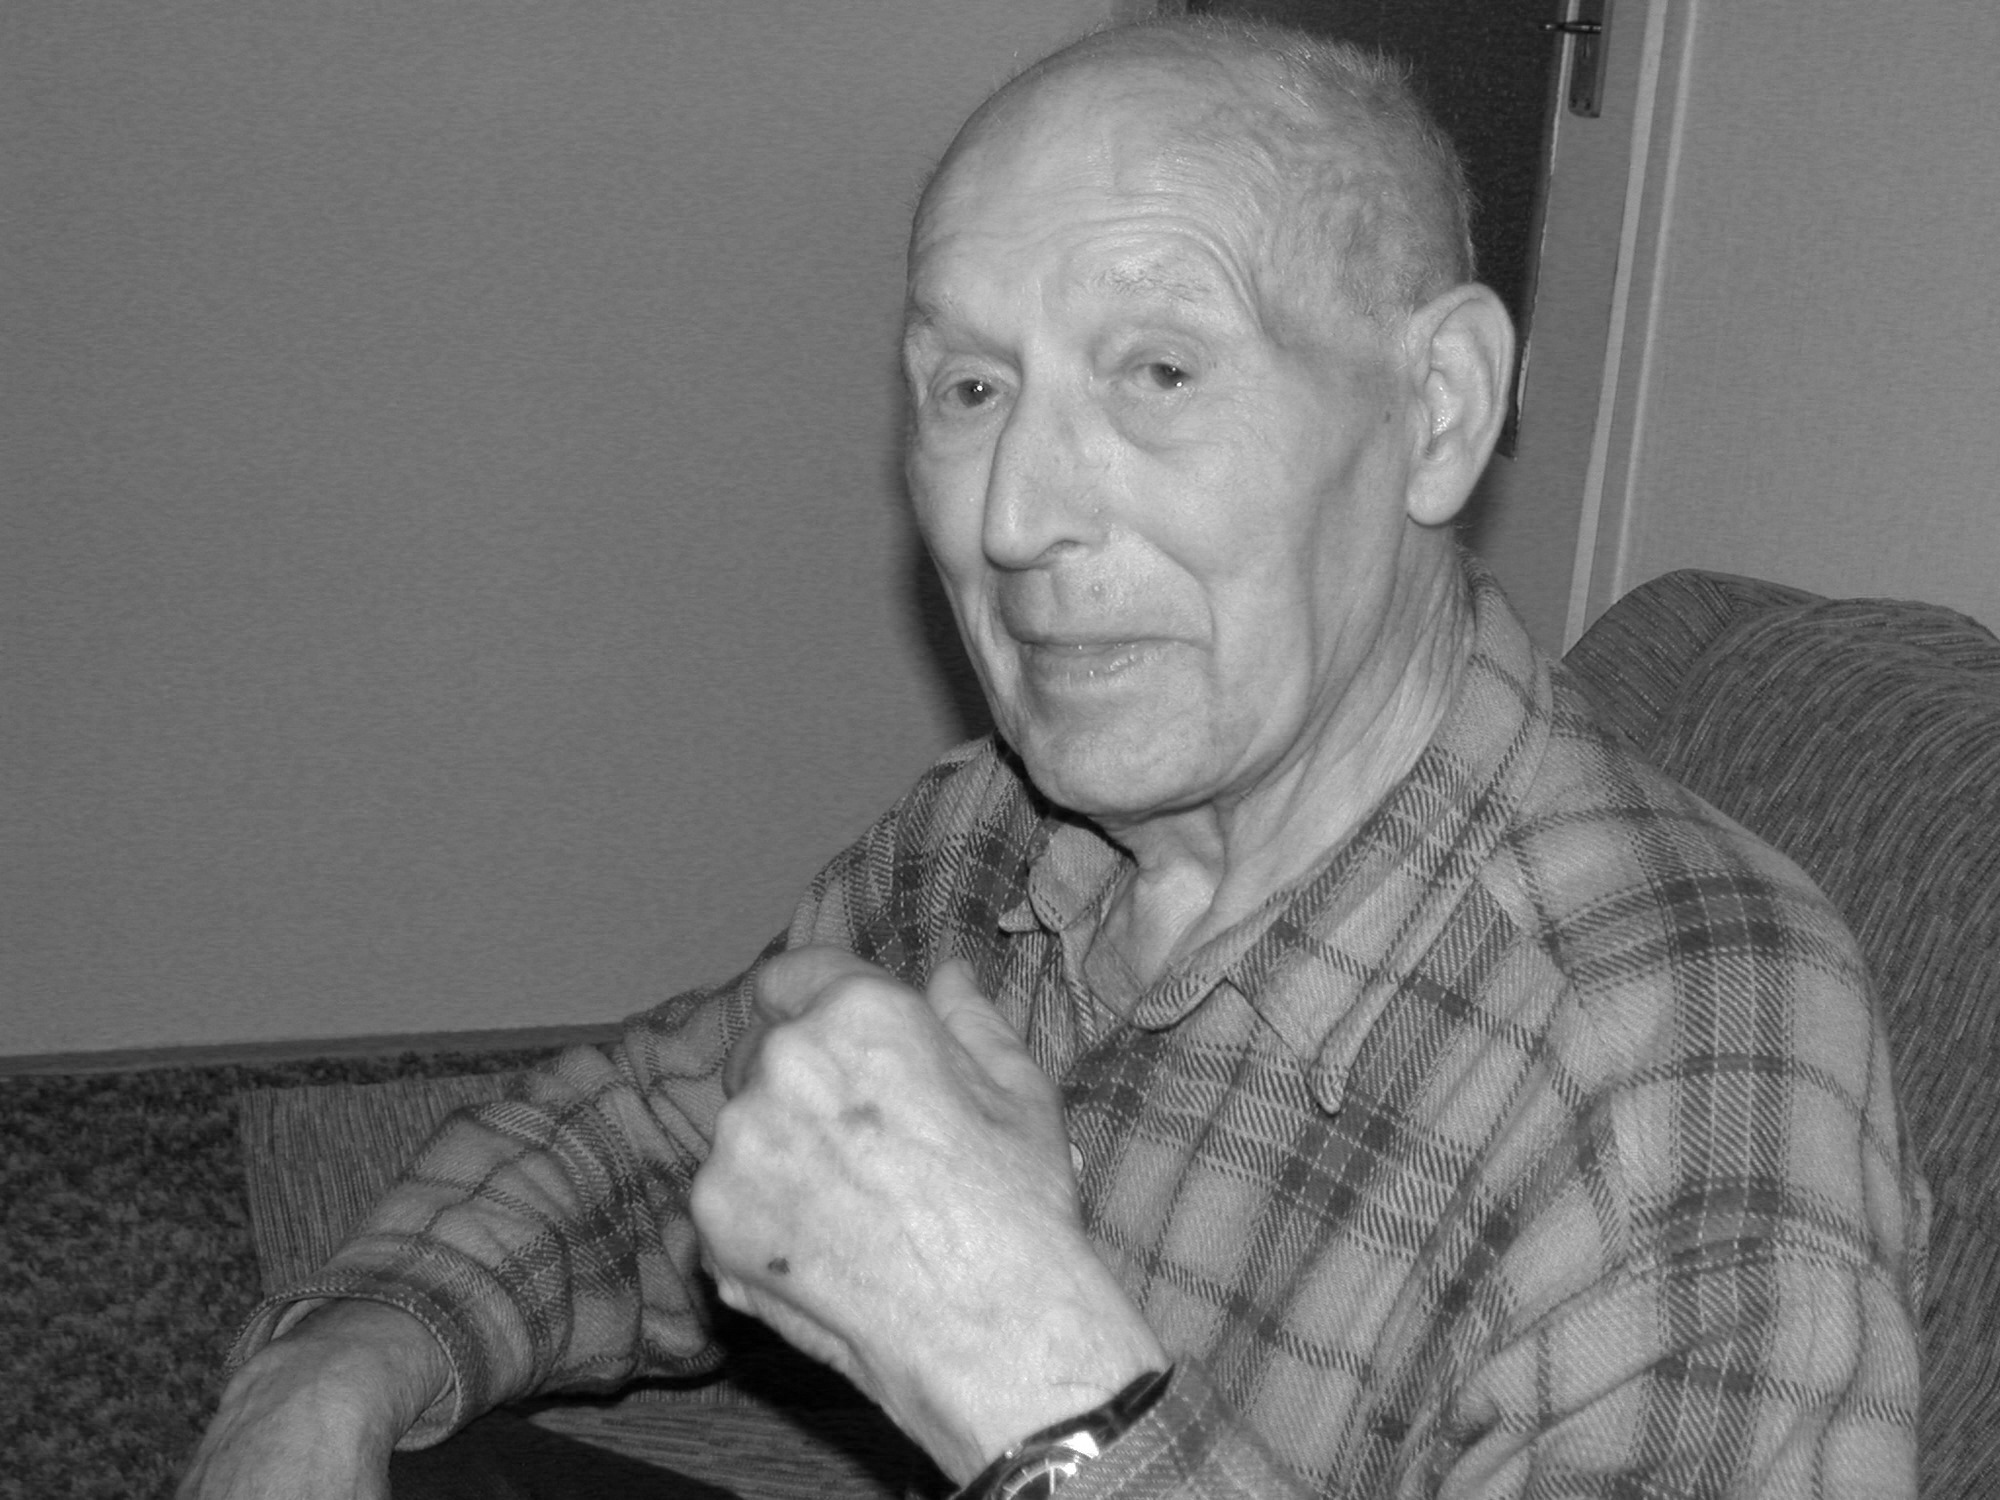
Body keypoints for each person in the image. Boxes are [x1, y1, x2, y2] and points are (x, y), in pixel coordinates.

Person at [180, 17, 1927, 1500]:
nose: (1014, 516)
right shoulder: (1002, 840)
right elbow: (669, 1130)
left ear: (1439, 413)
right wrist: (348, 1353)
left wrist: (1029, 1379)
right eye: (969, 390)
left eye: (1156, 370)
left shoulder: (1694, 1059)